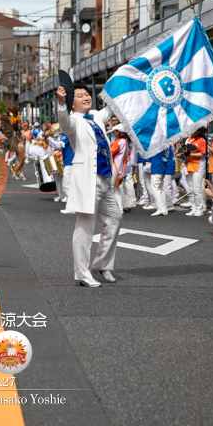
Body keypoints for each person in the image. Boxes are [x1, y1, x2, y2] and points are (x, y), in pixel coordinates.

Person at [56, 81, 122, 288]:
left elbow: (111, 106)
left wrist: (124, 79)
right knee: (84, 227)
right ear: (71, 103)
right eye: (80, 95)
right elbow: (64, 122)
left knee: (115, 218)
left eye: (87, 94)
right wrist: (60, 103)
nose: (86, 97)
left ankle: (102, 264)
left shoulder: (96, 116)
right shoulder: (73, 120)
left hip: (104, 180)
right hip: (87, 181)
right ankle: (82, 274)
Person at [183, 127, 208, 217]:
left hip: (198, 166)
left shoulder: (201, 140)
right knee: (191, 189)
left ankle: (200, 208)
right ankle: (194, 207)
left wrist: (190, 154)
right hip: (188, 165)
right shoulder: (188, 140)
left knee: (197, 188)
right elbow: (185, 151)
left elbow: (202, 154)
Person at [145, 147, 176, 216]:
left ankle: (160, 208)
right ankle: (164, 208)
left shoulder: (158, 144)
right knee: (160, 188)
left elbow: (149, 154)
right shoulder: (168, 144)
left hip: (157, 165)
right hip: (163, 165)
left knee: (155, 187)